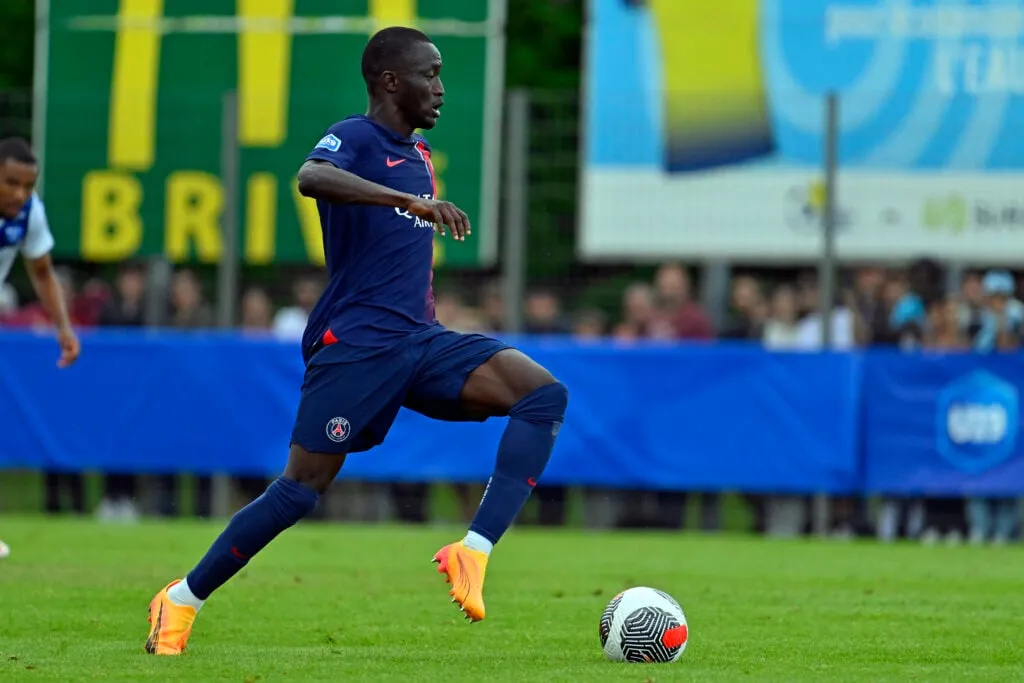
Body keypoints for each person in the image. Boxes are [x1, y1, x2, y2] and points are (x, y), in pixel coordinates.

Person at [144, 27, 568, 655]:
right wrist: (408, 202)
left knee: (542, 395)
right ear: (391, 81)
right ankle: (180, 600)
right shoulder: (359, 138)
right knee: (300, 489)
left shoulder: (419, 154)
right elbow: (311, 176)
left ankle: (472, 550)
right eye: (431, 74)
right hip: (357, 344)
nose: (442, 89)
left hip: (420, 339)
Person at [0, 137, 82, 557]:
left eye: (27, 185)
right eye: (10, 182)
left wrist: (64, 329)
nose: (19, 193)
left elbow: (43, 272)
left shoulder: (30, 214)